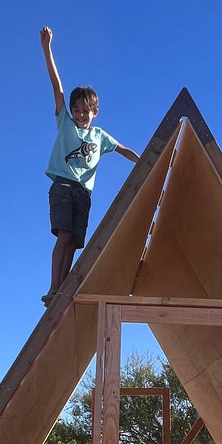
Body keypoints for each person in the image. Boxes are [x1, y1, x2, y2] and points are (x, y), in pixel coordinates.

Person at [40, 27, 140, 302]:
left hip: (83, 193)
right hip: (62, 185)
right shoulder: (65, 124)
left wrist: (145, 162)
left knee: (74, 242)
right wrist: (47, 49)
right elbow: (57, 87)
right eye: (78, 110)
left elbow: (123, 150)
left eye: (87, 110)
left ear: (95, 112)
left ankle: (62, 289)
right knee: (63, 235)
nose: (82, 114)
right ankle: (53, 289)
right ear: (71, 111)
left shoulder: (100, 136)